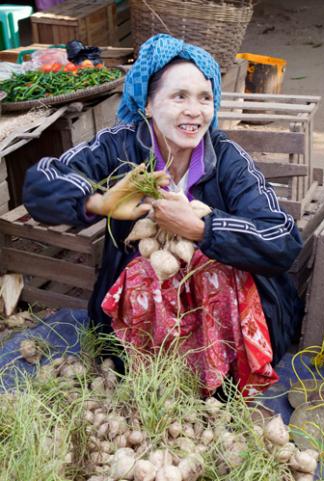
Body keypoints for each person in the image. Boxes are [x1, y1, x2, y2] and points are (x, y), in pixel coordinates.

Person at [23, 34, 303, 395]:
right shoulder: (119, 146)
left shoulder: (228, 160)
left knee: (211, 267)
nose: (194, 110)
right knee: (147, 269)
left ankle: (216, 378)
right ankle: (154, 374)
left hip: (226, 330)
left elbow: (282, 239)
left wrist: (203, 229)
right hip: (139, 328)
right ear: (148, 105)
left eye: (205, 98)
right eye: (179, 96)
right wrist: (100, 203)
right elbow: (41, 184)